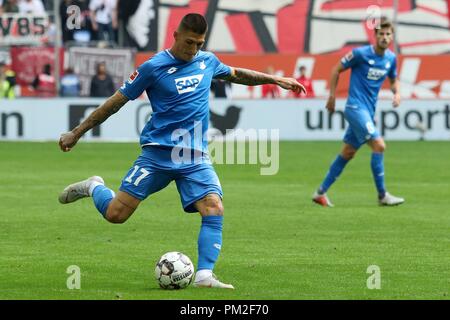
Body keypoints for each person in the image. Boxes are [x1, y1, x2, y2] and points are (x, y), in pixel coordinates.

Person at [58, 13, 305, 289]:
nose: (193, 49)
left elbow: (237, 74)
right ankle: (94, 187)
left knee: (214, 207)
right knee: (116, 215)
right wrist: (76, 132)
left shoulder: (207, 61)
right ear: (175, 35)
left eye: (199, 44)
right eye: (189, 42)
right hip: (157, 154)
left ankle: (204, 276)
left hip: (194, 157)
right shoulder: (152, 68)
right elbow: (115, 102)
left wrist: (275, 79)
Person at [312, 18, 404, 207]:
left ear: (392, 37)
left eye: (388, 34)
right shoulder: (360, 54)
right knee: (379, 145)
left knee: (348, 152)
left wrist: (397, 94)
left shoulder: (391, 59)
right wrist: (332, 96)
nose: (385, 37)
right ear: (375, 36)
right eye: (381, 34)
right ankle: (382, 196)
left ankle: (320, 192)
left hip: (368, 111)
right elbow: (336, 69)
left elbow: (393, 80)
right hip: (355, 108)